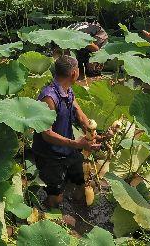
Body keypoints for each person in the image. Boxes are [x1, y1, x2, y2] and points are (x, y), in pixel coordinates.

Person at [31, 55, 101, 210]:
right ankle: (51, 212)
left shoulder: (67, 91)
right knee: (55, 198)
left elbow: (79, 114)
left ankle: (77, 210)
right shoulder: (49, 97)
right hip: (49, 155)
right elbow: (46, 133)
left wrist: (91, 131)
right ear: (74, 74)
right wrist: (76, 143)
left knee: (83, 183)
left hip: (68, 149)